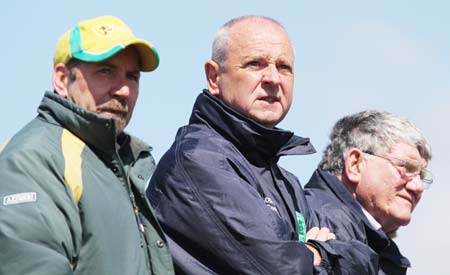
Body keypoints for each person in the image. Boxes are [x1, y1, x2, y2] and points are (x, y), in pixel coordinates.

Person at [147, 15, 378, 274]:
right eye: (255, 64)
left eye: (284, 67)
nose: (273, 79)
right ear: (213, 77)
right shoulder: (199, 160)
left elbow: (365, 258)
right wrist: (321, 253)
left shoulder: (284, 180)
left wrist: (316, 253)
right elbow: (280, 269)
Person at [0, 15, 174, 275]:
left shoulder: (112, 164)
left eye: (132, 76)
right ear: (61, 79)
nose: (123, 90)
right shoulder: (34, 158)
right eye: (105, 71)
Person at [304, 110, 433, 274]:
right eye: (406, 167)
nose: (418, 186)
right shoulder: (320, 220)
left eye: (421, 175)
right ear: (355, 164)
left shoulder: (374, 242)